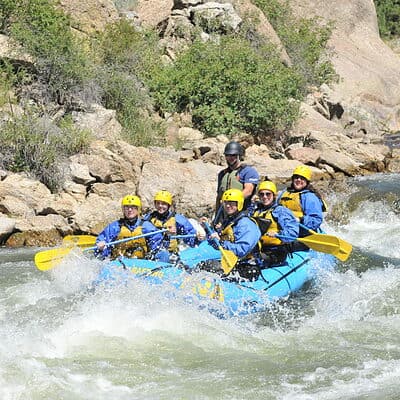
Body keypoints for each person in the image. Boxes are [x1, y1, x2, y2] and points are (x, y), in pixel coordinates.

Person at [204, 188, 261, 279]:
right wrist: (207, 231)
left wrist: (222, 242)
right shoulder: (229, 220)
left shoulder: (246, 224)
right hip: (231, 261)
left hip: (247, 264)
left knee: (211, 267)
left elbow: (242, 250)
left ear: (239, 204)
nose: (228, 206)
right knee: (204, 265)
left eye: (232, 203)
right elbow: (217, 245)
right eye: (226, 202)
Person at [95, 195, 162, 259]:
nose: (130, 210)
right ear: (123, 209)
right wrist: (101, 247)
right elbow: (101, 240)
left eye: (133, 207)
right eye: (126, 207)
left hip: (142, 263)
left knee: (163, 254)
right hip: (118, 263)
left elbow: (157, 243)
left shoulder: (147, 226)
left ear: (138, 209)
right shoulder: (115, 227)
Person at [143, 190, 202, 261]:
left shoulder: (178, 219)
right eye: (158, 203)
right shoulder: (148, 218)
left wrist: (197, 238)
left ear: (168, 205)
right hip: (152, 254)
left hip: (171, 255)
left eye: (163, 204)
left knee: (165, 255)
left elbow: (191, 239)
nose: (160, 206)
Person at [251, 180, 299, 266]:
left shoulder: (281, 211)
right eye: (261, 194)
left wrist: (278, 234)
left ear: (274, 195)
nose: (265, 197)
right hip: (259, 249)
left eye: (268, 194)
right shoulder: (255, 210)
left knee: (252, 261)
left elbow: (293, 233)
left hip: (276, 252)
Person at [214, 141, 259, 224]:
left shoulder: (248, 171)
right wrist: (217, 216)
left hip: (242, 213)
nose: (230, 158)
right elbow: (219, 197)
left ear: (239, 155)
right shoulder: (222, 174)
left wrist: (231, 201)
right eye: (228, 155)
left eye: (233, 155)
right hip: (225, 214)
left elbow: (248, 191)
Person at [277, 165, 326, 237]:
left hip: (302, 233)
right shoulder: (284, 192)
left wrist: (300, 220)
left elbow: (316, 220)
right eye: (296, 177)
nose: (298, 180)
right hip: (283, 230)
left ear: (307, 181)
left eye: (302, 178)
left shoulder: (310, 197)